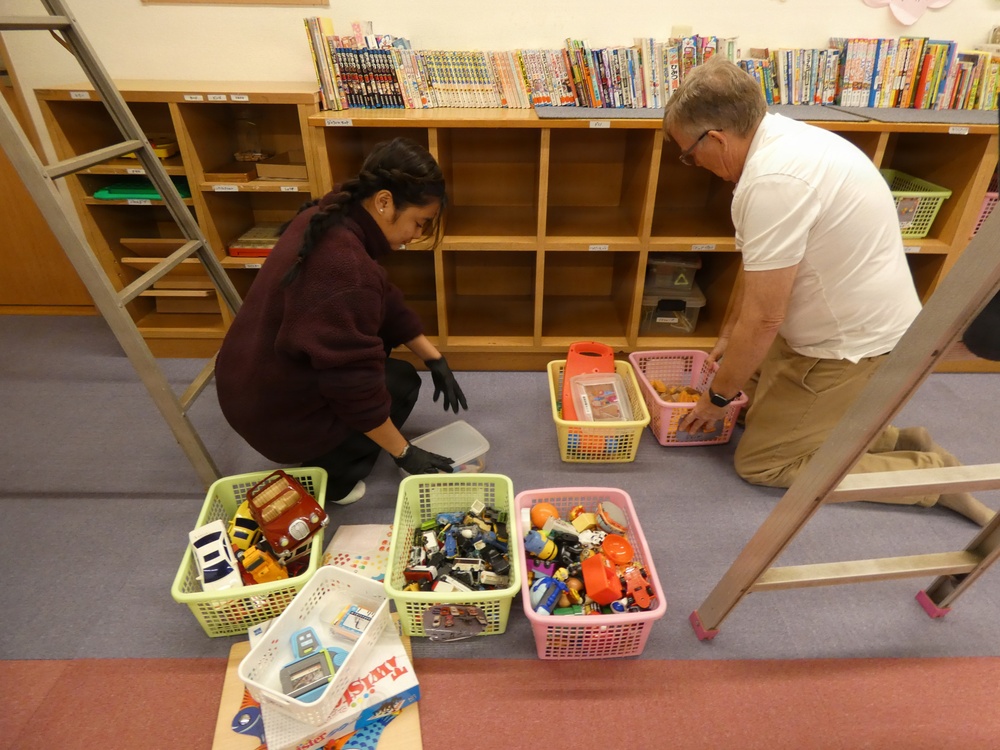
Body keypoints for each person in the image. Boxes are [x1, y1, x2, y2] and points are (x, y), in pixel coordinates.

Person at [664, 59, 994, 526]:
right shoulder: (788, 138)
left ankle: (930, 476)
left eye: (688, 153)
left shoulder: (772, 182)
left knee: (763, 462)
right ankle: (899, 440)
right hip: (849, 316)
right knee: (753, 411)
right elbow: (757, 270)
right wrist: (730, 332)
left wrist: (715, 399)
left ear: (715, 138)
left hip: (847, 344)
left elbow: (765, 319)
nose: (693, 163)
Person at [215, 137, 467, 505]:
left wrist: (433, 357)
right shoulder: (346, 268)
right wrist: (404, 453)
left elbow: (383, 297)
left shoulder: (331, 214)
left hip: (248, 384)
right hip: (273, 419)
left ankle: (331, 446)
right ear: (384, 202)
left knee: (388, 368)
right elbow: (354, 389)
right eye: (419, 223)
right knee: (398, 384)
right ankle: (333, 479)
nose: (417, 236)